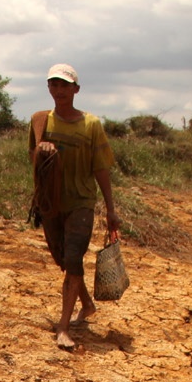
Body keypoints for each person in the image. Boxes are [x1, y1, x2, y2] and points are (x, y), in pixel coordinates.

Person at [28, 64, 121, 349]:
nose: (59, 90)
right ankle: (87, 305)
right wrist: (42, 152)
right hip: (51, 203)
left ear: (76, 90)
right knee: (64, 260)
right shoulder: (40, 121)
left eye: (65, 85)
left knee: (73, 258)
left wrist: (111, 209)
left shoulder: (91, 125)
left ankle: (64, 327)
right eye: (54, 85)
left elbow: (101, 168)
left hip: (81, 202)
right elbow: (32, 159)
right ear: (48, 88)